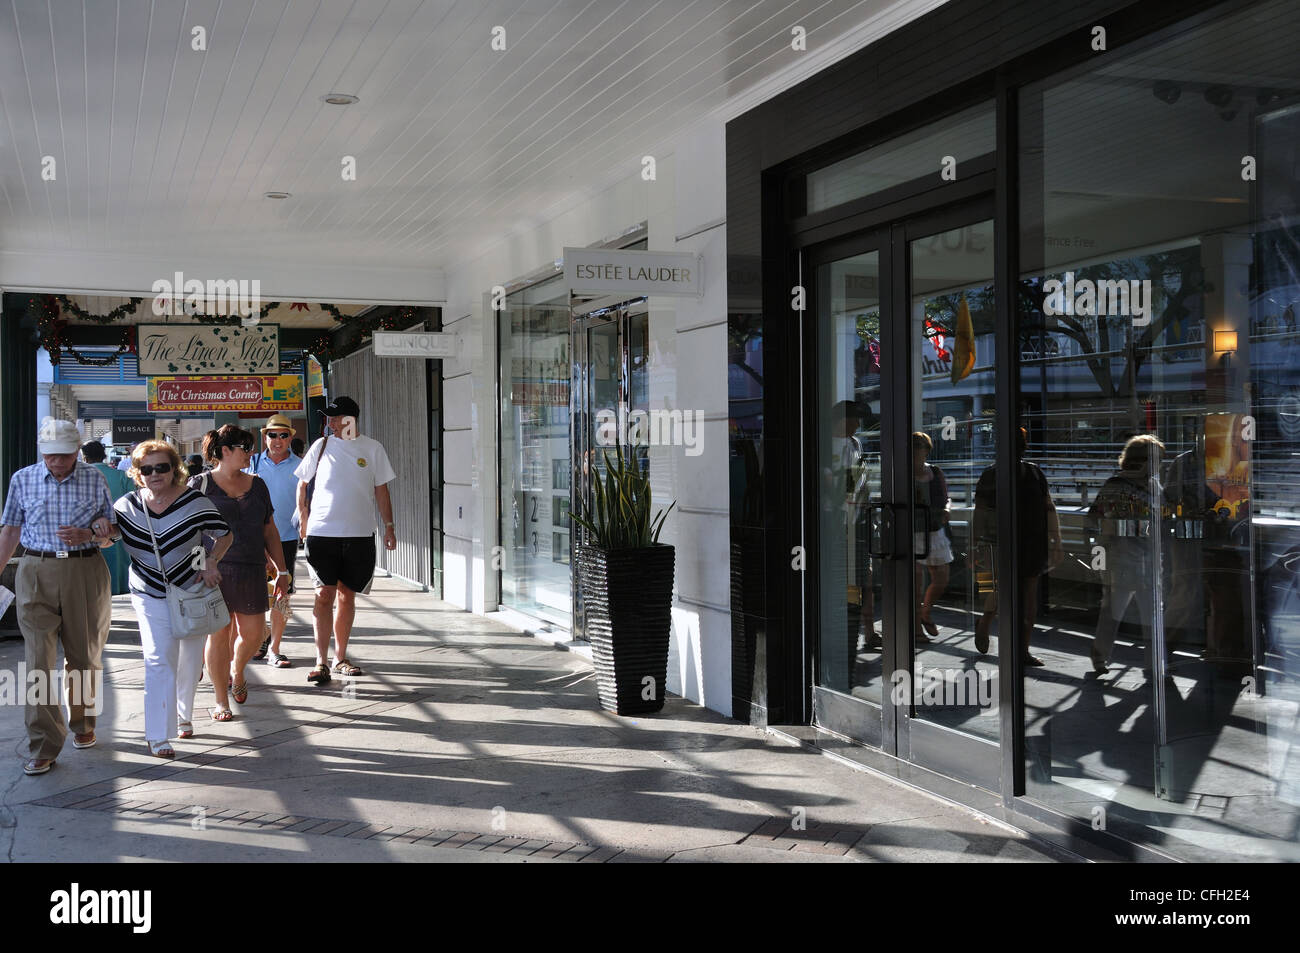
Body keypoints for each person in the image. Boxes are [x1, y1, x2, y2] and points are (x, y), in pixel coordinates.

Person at [0, 418, 116, 775]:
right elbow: (10, 529)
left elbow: (110, 533)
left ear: (77, 451)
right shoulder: (23, 478)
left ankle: (82, 723)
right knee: (37, 660)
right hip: (35, 570)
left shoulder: (94, 478)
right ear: (42, 453)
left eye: (64, 456)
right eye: (50, 456)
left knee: (84, 656)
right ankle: (43, 743)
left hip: (84, 570)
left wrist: (92, 533)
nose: (57, 463)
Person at [114, 441, 231, 752]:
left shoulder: (194, 501)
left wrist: (211, 560)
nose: (155, 474)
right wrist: (97, 531)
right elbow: (107, 537)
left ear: (173, 469)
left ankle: (183, 715)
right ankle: (157, 733)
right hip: (147, 590)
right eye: (146, 469)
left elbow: (224, 534)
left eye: (161, 467)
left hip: (191, 588)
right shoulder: (126, 506)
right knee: (157, 658)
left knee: (190, 661)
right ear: (137, 473)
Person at [296, 396, 397, 684]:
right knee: (323, 594)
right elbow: (302, 483)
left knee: (346, 595)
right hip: (322, 532)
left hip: (360, 534)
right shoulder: (321, 445)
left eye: (334, 417)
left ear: (350, 419)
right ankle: (320, 660)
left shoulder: (373, 448)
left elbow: (382, 490)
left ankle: (340, 657)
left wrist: (389, 526)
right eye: (328, 417)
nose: (329, 422)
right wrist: (303, 515)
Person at [191, 425, 289, 718]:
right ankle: (221, 699)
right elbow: (190, 532)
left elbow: (269, 529)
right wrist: (198, 569)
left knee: (254, 633)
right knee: (218, 636)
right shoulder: (200, 485)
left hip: (251, 568)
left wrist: (282, 571)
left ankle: (237, 668)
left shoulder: (257, 484)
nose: (250, 453)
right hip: (213, 572)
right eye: (244, 448)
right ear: (225, 452)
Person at [971, 427, 1064, 666]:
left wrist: (975, 542)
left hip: (1011, 540)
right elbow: (1049, 507)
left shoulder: (994, 474)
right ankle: (1018, 647)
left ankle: (998, 632)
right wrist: (1056, 539)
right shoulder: (1031, 473)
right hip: (1022, 540)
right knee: (1023, 594)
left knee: (1004, 590)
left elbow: (979, 513)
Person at [1087, 434, 1165, 675]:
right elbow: (1096, 523)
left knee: (1130, 614)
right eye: (1156, 460)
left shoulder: (1150, 486)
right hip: (1123, 560)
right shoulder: (1122, 486)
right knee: (1119, 612)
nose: (1159, 466)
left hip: (1141, 561)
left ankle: (1148, 663)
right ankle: (1106, 657)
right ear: (1143, 461)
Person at [245, 414, 302, 667]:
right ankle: (260, 638)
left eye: (283, 435)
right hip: (254, 539)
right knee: (254, 595)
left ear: (291, 437)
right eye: (272, 435)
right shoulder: (251, 464)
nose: (277, 440)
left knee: (283, 595)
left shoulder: (302, 466)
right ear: (264, 436)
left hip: (286, 539)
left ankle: (275, 648)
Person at [912, 431, 953, 643]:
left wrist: (946, 509)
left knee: (942, 578)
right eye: (916, 447)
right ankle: (916, 628)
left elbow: (946, 497)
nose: (919, 452)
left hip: (935, 530)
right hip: (913, 532)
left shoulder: (936, 472)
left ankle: (924, 613)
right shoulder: (903, 474)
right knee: (916, 582)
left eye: (921, 447)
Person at [81, 440, 134, 595]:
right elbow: (132, 506)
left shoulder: (80, 478)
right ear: (104, 455)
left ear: (84, 457)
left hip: (88, 535)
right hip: (118, 533)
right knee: (118, 567)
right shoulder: (123, 476)